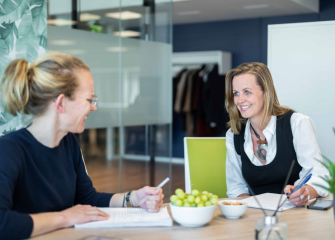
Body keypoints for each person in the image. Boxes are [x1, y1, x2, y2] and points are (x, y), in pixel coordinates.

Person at [0, 53, 164, 240]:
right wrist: (65, 217)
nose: (94, 108)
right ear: (61, 103)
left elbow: (88, 199)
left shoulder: (69, 143)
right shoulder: (8, 151)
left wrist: (134, 198)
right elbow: (2, 223)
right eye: (89, 100)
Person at [224, 62, 329, 207]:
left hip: (297, 213)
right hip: (256, 215)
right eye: (236, 93)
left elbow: (319, 175)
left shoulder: (297, 123)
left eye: (247, 92)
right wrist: (252, 210)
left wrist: (304, 192)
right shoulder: (234, 134)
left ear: (266, 93)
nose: (239, 100)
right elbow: (236, 188)